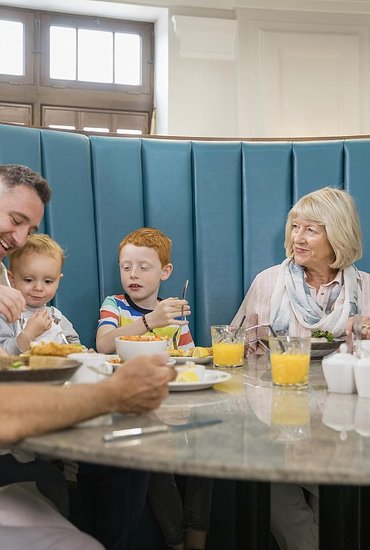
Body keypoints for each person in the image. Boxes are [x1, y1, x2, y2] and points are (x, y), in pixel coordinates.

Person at [0, 164, 175, 549]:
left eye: (28, 228)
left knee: (122, 456)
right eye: (14, 220)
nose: (17, 238)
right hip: (14, 454)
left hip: (30, 445)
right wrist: (114, 394)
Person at [232, 186, 370, 550]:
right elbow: (234, 348)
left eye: (311, 229)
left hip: (349, 422)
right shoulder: (269, 282)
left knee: (343, 488)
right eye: (295, 227)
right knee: (277, 491)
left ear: (338, 235)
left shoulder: (367, 288)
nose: (297, 237)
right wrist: (251, 344)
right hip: (279, 417)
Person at [96, 227, 212, 550]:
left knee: (209, 455)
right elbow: (104, 344)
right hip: (134, 409)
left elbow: (190, 358)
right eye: (126, 267)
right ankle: (176, 543)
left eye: (144, 267)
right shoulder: (115, 305)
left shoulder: (173, 313)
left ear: (165, 271)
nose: (133, 274)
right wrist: (151, 321)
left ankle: (196, 540)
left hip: (175, 405)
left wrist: (171, 324)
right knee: (153, 461)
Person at [0, 233, 80, 354]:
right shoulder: (8, 316)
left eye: (48, 281)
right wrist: (29, 334)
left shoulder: (56, 318)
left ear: (58, 280)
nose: (38, 288)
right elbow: (4, 353)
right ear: (12, 279)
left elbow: (74, 345)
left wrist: (84, 354)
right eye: (28, 280)